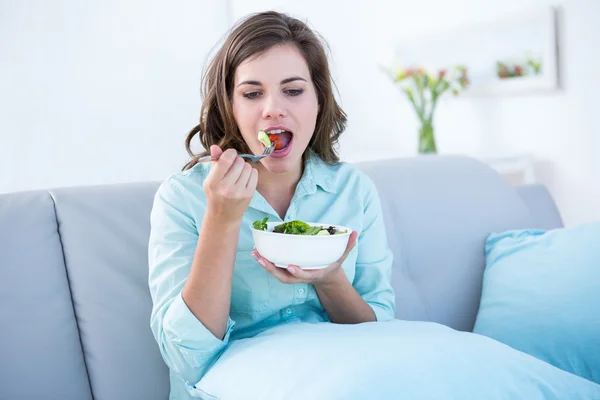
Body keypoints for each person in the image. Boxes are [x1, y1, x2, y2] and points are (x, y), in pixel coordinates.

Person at [148, 10, 395, 399]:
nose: (272, 109)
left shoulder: (353, 189)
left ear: (318, 101)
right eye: (252, 93)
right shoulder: (183, 198)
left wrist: (329, 280)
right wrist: (222, 221)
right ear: (230, 106)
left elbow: (379, 333)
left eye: (293, 91)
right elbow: (187, 358)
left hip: (341, 379)